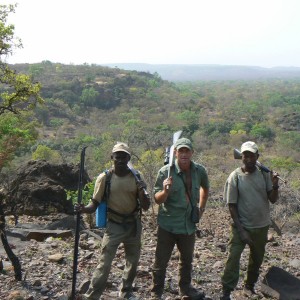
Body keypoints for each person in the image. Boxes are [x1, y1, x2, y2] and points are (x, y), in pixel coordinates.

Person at [75, 142, 150, 300]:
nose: (121, 160)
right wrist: (83, 209)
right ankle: (93, 295)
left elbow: (146, 206)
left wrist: (143, 191)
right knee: (105, 262)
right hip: (114, 225)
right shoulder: (105, 178)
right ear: (112, 157)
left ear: (128, 158)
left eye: (124, 157)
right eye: (118, 157)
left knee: (133, 261)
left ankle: (126, 292)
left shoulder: (137, 176)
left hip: (133, 225)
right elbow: (94, 203)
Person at [151, 137, 210, 300]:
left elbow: (206, 188)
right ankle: (156, 292)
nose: (184, 154)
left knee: (187, 260)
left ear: (192, 153)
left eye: (187, 151)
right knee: (161, 261)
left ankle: (185, 289)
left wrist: (201, 209)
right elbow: (157, 199)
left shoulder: (199, 171)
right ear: (175, 153)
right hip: (168, 225)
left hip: (188, 225)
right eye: (181, 151)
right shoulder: (165, 172)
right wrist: (165, 191)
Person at [220, 141, 280, 300]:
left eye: (251, 155)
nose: (248, 158)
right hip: (241, 226)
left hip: (261, 225)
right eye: (245, 155)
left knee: (257, 259)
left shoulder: (264, 174)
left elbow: (273, 199)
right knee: (233, 258)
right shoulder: (235, 176)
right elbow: (231, 205)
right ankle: (226, 291)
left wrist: (275, 186)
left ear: (257, 157)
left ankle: (249, 286)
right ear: (241, 156)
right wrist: (241, 230)